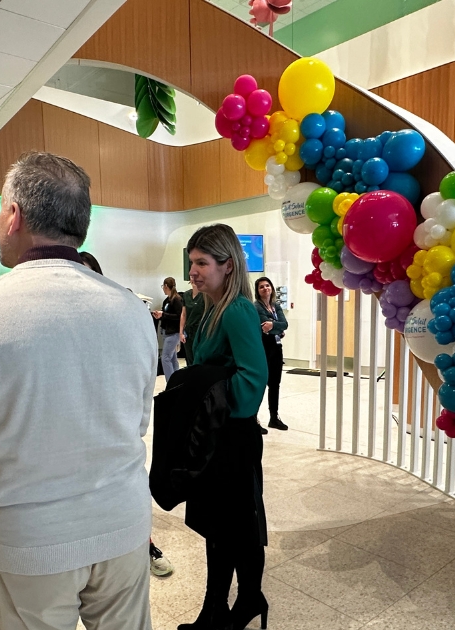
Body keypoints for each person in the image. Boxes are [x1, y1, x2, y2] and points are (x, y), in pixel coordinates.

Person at [0, 151, 158, 630]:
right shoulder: (132, 309)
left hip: (28, 538)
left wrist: (13, 483)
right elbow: (138, 421)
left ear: (13, 215)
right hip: (123, 524)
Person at [180, 224, 269, 630]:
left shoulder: (237, 310)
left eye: (202, 263)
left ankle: (248, 598)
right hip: (216, 433)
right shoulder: (209, 309)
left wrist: (203, 395)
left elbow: (252, 381)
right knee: (220, 526)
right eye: (192, 262)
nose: (193, 271)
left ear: (227, 265)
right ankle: (215, 606)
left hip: (232, 435)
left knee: (237, 526)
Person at [77, 251, 175, 579]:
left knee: (126, 489)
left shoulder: (117, 318)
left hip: (115, 425)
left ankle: (144, 545)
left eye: (89, 274)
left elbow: (139, 376)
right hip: (76, 428)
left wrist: (133, 424)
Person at [254, 277, 289, 432]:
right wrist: (277, 328)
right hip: (263, 348)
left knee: (275, 384)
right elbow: (264, 326)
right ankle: (253, 418)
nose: (265, 288)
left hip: (276, 348)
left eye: (267, 285)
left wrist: (274, 326)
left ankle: (274, 417)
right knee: (261, 384)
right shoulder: (257, 307)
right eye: (261, 286)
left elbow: (285, 324)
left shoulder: (276, 306)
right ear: (257, 291)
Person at [153, 277, 184, 381]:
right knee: (173, 358)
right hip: (166, 331)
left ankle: (170, 382)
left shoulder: (177, 300)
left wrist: (164, 314)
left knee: (165, 358)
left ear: (166, 286)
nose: (163, 288)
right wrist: (160, 315)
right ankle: (177, 382)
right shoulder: (167, 300)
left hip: (173, 332)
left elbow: (179, 316)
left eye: (163, 286)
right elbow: (166, 314)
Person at [179, 277, 206, 366]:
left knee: (198, 357)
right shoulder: (186, 295)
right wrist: (181, 332)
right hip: (188, 331)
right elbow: (183, 314)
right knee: (189, 358)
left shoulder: (205, 295)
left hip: (199, 331)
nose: (193, 280)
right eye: (191, 278)